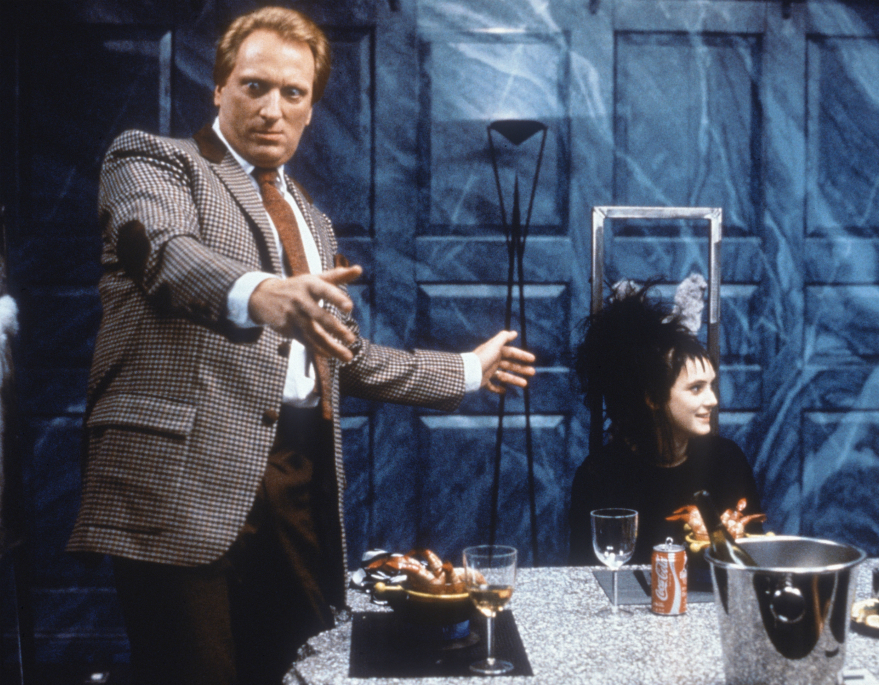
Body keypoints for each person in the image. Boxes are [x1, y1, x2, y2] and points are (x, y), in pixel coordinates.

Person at [66, 7, 535, 685]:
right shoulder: (154, 161)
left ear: (311, 110)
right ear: (219, 88)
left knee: (292, 670)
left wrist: (467, 368)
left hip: (295, 483)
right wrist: (260, 293)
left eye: (293, 93)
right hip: (179, 482)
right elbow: (165, 254)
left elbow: (344, 356)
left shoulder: (312, 219)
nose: (272, 109)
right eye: (254, 86)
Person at [567, 284, 761, 566]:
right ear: (653, 398)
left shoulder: (727, 460)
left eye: (711, 386)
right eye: (696, 388)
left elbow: (755, 558)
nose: (713, 400)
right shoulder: (600, 476)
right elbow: (584, 574)